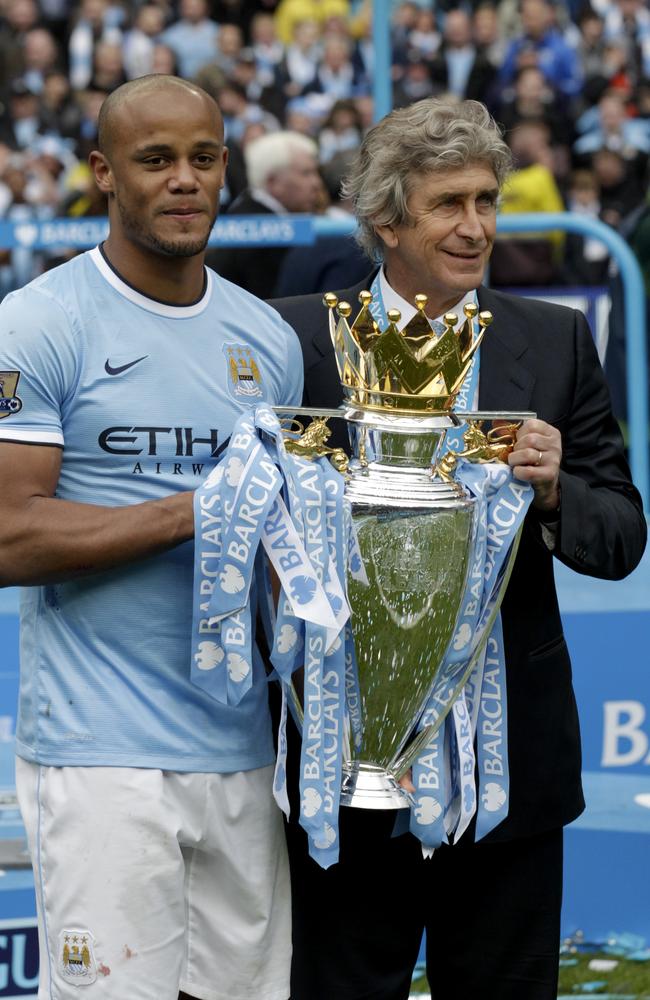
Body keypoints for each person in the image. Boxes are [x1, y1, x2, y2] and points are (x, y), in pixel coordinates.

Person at [270, 97, 647, 1000]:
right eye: (449, 205)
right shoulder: (293, 341)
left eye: (487, 200)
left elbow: (621, 537)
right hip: (341, 770)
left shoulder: (554, 341)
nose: (476, 227)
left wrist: (557, 490)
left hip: (508, 774)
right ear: (386, 220)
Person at [0, 74, 303, 1000]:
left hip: (244, 750)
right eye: (156, 159)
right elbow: (10, 534)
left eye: (204, 158)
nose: (185, 180)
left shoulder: (269, 340)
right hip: (101, 755)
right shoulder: (39, 323)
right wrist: (201, 510)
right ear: (102, 173)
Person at [205, 129, 322, 298]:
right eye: (306, 173)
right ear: (273, 182)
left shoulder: (246, 214)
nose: (316, 183)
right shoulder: (262, 237)